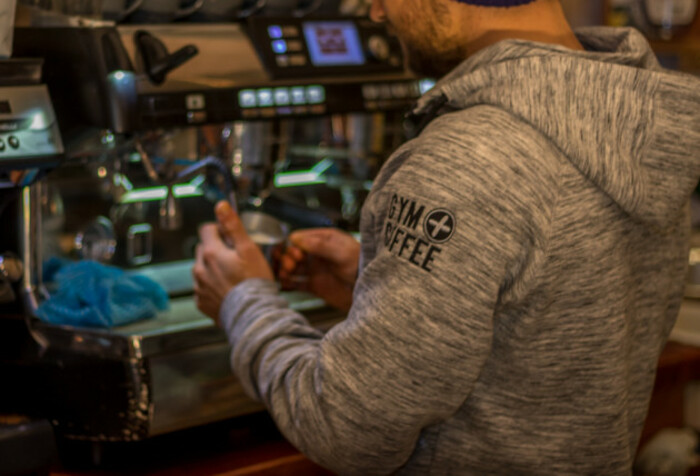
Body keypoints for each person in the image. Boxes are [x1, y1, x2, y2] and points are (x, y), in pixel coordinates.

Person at [192, 0, 700, 473]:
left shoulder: (468, 159)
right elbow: (548, 338)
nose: (375, 10)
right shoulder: (638, 123)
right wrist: (381, 287)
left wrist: (243, 300)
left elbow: (347, 428)